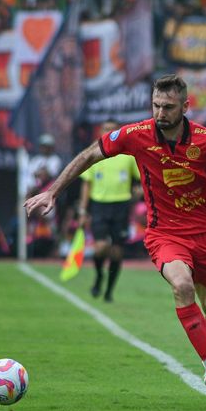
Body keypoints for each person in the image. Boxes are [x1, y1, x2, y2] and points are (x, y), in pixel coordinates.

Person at [24, 74, 206, 402]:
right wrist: (53, 192)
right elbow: (90, 154)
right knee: (182, 285)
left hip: (205, 236)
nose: (160, 113)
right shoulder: (135, 135)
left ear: (185, 107)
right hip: (164, 234)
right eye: (156, 105)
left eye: (169, 107)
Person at [77, 120, 141, 302]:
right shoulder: (95, 155)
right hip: (99, 206)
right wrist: (82, 211)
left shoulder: (127, 156)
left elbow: (141, 178)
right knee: (100, 248)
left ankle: (109, 291)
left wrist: (138, 191)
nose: (109, 132)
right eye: (106, 129)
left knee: (117, 252)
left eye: (113, 130)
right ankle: (99, 276)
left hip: (121, 206)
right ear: (101, 131)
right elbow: (86, 185)